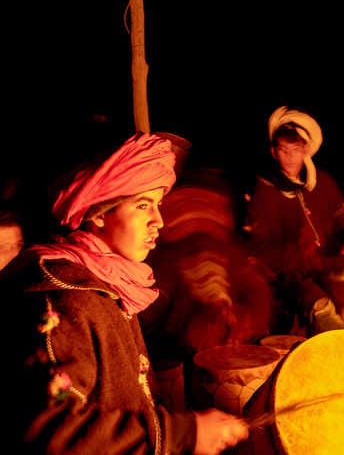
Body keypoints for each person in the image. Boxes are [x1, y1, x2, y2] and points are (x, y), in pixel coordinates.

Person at [5, 133, 248, 454]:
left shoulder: (112, 283)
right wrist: (179, 434)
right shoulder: (67, 299)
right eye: (143, 205)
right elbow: (51, 427)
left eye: (158, 204)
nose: (158, 221)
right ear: (99, 213)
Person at [244, 106, 344, 339]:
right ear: (274, 152)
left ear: (306, 151)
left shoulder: (322, 182)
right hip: (297, 275)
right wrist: (300, 257)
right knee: (321, 306)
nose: (290, 156)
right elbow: (260, 247)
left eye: (296, 149)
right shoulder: (264, 191)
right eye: (283, 149)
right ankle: (341, 354)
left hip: (335, 262)